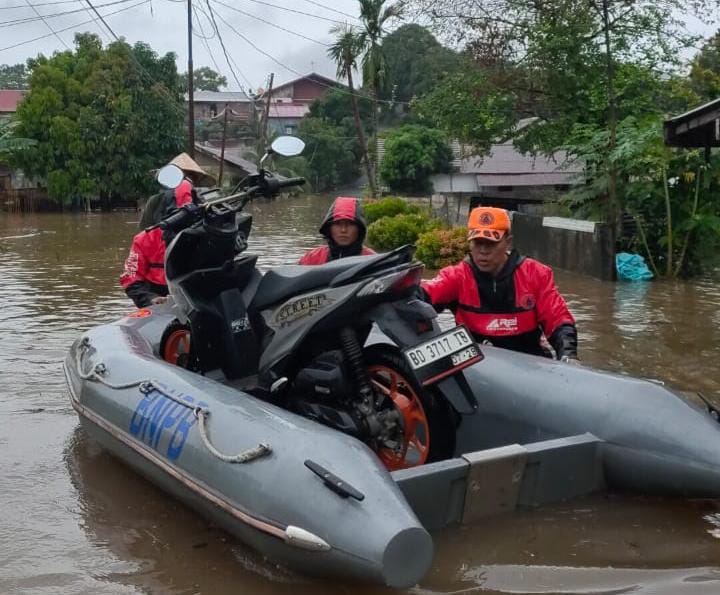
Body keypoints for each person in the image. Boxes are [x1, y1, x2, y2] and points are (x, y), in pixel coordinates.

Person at [421, 207, 578, 360]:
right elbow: (427, 291)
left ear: (508, 242)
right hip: (477, 367)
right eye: (477, 243)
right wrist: (411, 292)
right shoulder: (457, 276)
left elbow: (557, 319)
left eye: (490, 244)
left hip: (530, 364)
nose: (483, 251)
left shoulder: (536, 274)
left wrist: (568, 354)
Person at [120, 154, 215, 308]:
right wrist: (150, 298)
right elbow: (131, 276)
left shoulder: (207, 232)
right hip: (159, 296)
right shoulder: (147, 236)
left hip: (195, 298)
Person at [299, 197, 376, 265]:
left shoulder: (373, 261)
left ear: (359, 229)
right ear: (329, 228)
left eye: (350, 224)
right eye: (337, 224)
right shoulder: (311, 259)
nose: (343, 230)